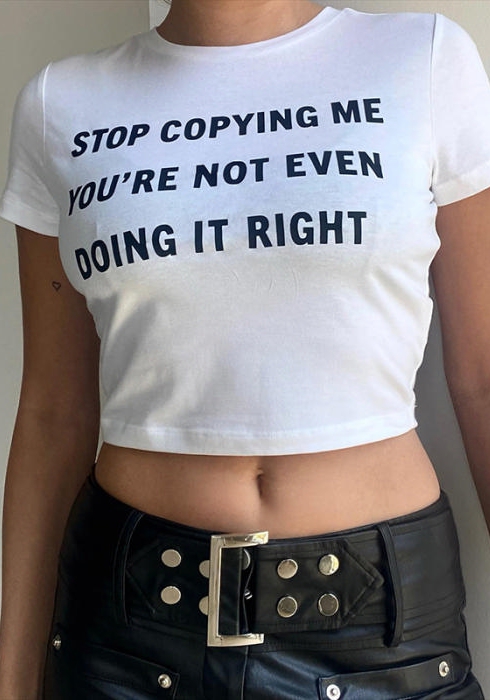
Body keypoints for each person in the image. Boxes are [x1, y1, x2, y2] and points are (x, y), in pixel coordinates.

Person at [0, 0, 490, 697]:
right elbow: (54, 413)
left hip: (383, 639)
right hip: (132, 637)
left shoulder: (426, 58)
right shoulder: (60, 103)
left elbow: (482, 376)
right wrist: (13, 679)